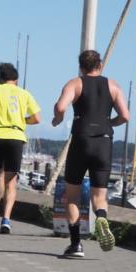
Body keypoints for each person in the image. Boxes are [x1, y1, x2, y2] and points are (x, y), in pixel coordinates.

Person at [51, 49, 129, 258]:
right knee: (99, 195)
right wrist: (108, 123)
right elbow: (125, 116)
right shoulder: (113, 86)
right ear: (100, 65)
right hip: (104, 142)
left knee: (72, 196)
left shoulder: (75, 83)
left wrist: (58, 118)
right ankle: (101, 216)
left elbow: (60, 106)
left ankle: (76, 244)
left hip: (81, 140)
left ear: (81, 67)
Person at [0, 63, 41, 234]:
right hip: (16, 137)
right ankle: (6, 220)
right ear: (16, 79)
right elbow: (37, 118)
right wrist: (21, 121)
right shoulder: (24, 93)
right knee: (11, 182)